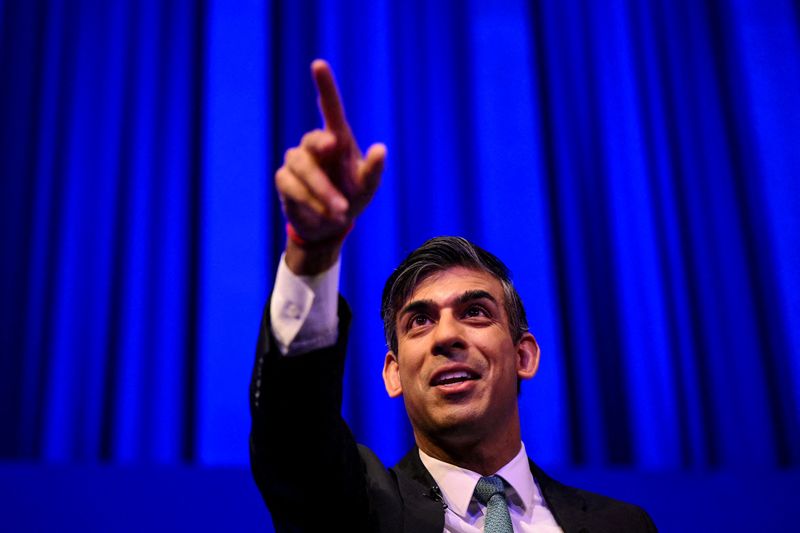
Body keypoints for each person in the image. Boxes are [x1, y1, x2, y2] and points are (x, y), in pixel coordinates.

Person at [249, 59, 657, 533]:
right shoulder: (360, 510)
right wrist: (313, 252)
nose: (446, 335)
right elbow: (294, 436)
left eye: (476, 312)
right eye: (419, 321)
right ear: (394, 372)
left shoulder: (624, 525)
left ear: (524, 354)